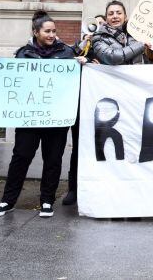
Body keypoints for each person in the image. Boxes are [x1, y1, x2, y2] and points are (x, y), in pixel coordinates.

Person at [0, 10, 87, 218]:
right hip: (29, 118)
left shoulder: (66, 53)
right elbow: (9, 76)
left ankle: (47, 201)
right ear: (36, 32)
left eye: (54, 31)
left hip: (57, 118)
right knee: (21, 157)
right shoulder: (24, 53)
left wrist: (82, 65)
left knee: (53, 159)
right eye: (47, 31)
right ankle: (7, 200)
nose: (52, 35)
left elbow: (77, 80)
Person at [61, 14, 106, 207]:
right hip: (82, 103)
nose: (99, 26)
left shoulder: (112, 43)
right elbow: (65, 58)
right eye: (95, 23)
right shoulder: (82, 45)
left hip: (105, 106)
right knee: (79, 147)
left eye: (102, 23)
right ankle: (74, 188)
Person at [89, 1, 150, 66]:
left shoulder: (134, 34)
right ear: (106, 19)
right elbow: (112, 58)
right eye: (110, 14)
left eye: (119, 13)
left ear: (125, 17)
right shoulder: (98, 38)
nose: (115, 16)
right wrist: (140, 45)